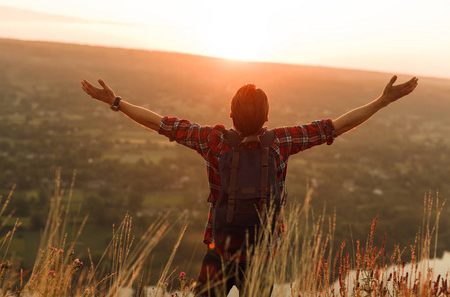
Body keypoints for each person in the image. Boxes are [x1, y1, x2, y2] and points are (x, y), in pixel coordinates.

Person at [81, 75, 418, 296]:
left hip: (219, 252)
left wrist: (115, 101)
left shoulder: (212, 141)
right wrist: (382, 101)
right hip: (261, 256)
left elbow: (159, 123)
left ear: (230, 115)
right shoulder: (281, 142)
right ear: (267, 116)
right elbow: (337, 126)